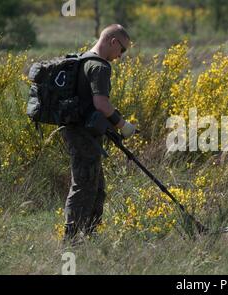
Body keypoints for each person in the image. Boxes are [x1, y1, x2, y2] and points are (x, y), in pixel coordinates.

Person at [61, 24, 135, 244]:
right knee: (83, 185)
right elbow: (101, 103)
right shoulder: (99, 67)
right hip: (83, 135)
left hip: (78, 132)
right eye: (122, 50)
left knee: (97, 187)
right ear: (113, 42)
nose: (120, 56)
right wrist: (124, 125)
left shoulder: (83, 59)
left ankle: (90, 236)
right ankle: (71, 242)